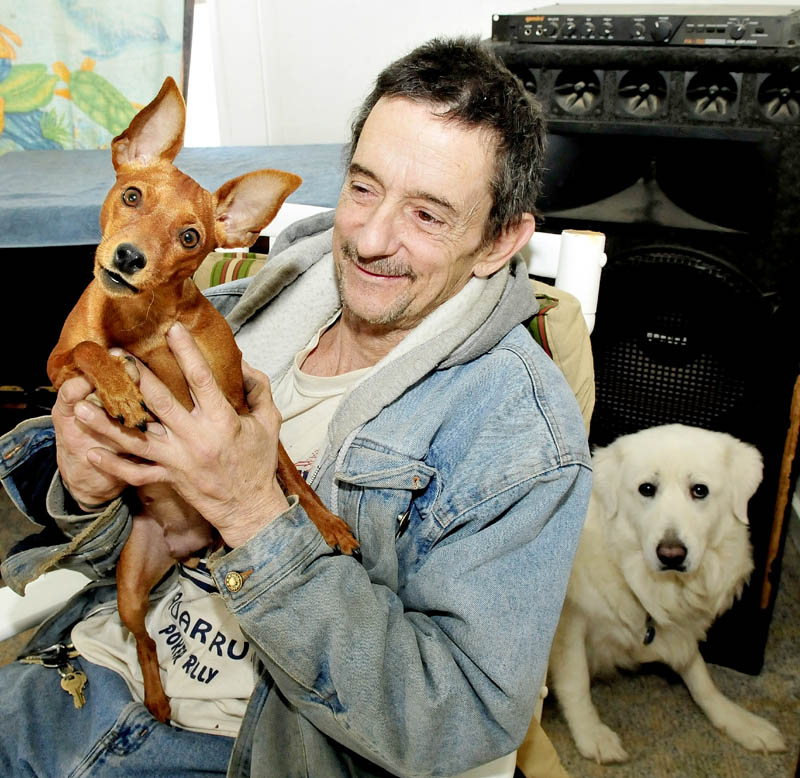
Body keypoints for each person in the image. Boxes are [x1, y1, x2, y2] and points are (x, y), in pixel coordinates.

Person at [0, 36, 591, 778]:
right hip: (79, 675)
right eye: (364, 187)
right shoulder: (222, 313)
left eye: (429, 216)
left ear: (499, 240)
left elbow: (464, 717)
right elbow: (132, 535)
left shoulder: (519, 437)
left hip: (249, 751)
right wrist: (86, 493)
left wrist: (254, 513)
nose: (372, 239)